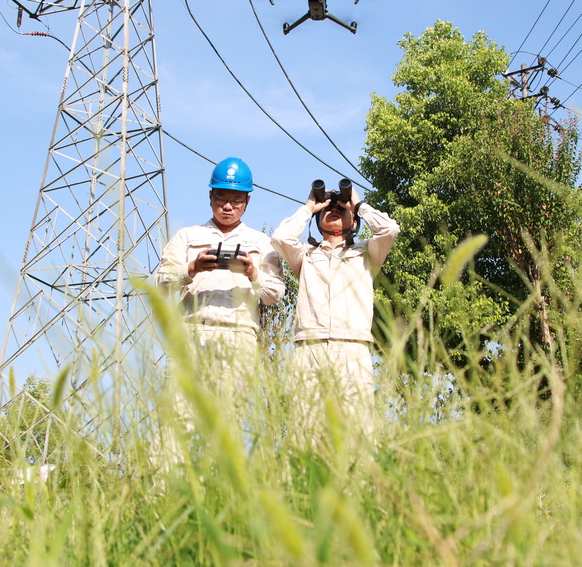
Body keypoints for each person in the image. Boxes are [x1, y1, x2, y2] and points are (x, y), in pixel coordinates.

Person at [152, 157, 285, 465]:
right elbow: (159, 283)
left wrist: (252, 272)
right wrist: (191, 268)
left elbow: (275, 294)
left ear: (247, 201)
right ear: (210, 196)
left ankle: (220, 496)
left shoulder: (260, 242)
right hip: (192, 332)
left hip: (238, 335)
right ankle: (164, 494)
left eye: (236, 200)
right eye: (221, 198)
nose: (228, 206)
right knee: (178, 418)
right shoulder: (187, 236)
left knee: (229, 422)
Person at [271, 182, 399, 448]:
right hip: (310, 348)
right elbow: (281, 238)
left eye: (340, 208)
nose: (333, 210)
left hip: (352, 348)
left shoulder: (367, 252)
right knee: (304, 432)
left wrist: (358, 205)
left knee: (359, 433)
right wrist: (309, 207)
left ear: (354, 221)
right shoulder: (306, 255)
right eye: (327, 208)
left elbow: (390, 229)